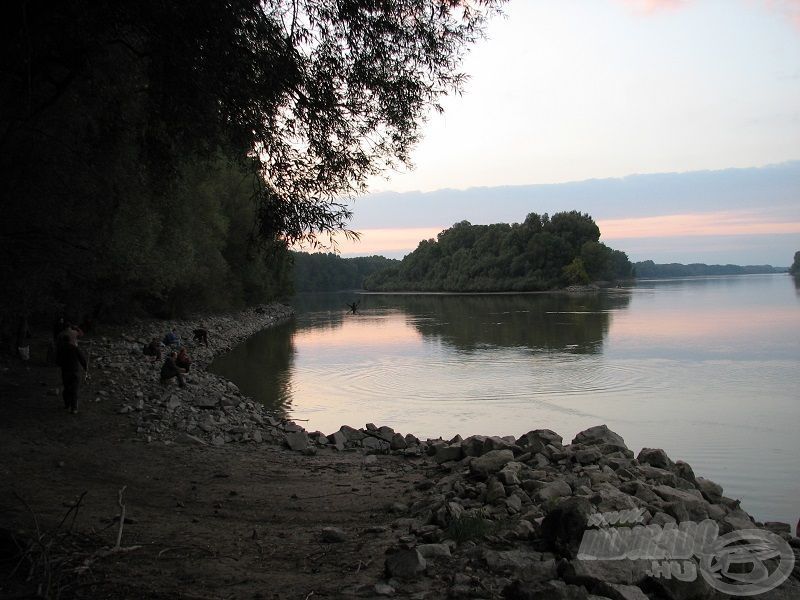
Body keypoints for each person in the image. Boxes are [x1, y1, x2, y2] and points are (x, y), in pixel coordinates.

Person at [57, 334, 88, 414]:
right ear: (70, 340)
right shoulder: (75, 348)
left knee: (67, 388)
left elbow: (58, 361)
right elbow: (82, 358)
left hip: (65, 371)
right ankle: (74, 408)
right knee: (74, 389)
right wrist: (85, 367)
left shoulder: (61, 349)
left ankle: (67, 404)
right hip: (75, 371)